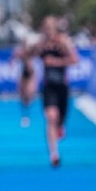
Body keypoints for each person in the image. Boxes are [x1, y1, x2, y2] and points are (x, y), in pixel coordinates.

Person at [36, 15, 78, 167]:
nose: (47, 30)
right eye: (45, 27)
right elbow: (33, 59)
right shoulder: (42, 45)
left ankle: (60, 127)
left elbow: (75, 59)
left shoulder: (63, 42)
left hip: (62, 86)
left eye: (50, 27)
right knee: (51, 117)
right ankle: (54, 154)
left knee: (59, 119)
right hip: (48, 87)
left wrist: (57, 62)